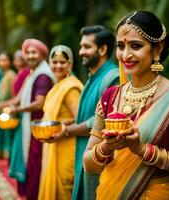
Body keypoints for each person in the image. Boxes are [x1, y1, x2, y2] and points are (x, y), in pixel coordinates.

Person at [83, 10, 169, 199]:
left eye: (136, 46)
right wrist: (106, 147)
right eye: (120, 46)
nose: (125, 55)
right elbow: (88, 164)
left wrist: (142, 150)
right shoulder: (110, 97)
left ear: (157, 49)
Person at [47, 26, 119, 199]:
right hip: (83, 152)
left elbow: (107, 120)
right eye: (81, 46)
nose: (80, 52)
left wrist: (67, 131)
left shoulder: (112, 77)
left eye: (87, 47)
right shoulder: (92, 78)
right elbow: (87, 116)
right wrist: (70, 124)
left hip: (100, 156)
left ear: (102, 49)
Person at [9, 39, 55, 199]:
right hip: (29, 126)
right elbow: (19, 97)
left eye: (34, 52)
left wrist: (18, 109)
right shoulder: (32, 73)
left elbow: (39, 104)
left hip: (38, 129)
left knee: (35, 166)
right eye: (27, 52)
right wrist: (4, 105)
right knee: (30, 165)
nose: (30, 55)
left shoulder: (42, 75)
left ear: (42, 55)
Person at [38, 45, 83, 200]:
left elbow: (81, 119)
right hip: (54, 144)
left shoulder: (70, 88)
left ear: (70, 64)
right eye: (54, 61)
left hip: (67, 145)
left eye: (62, 62)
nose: (58, 66)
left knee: (64, 187)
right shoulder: (57, 86)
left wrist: (62, 128)